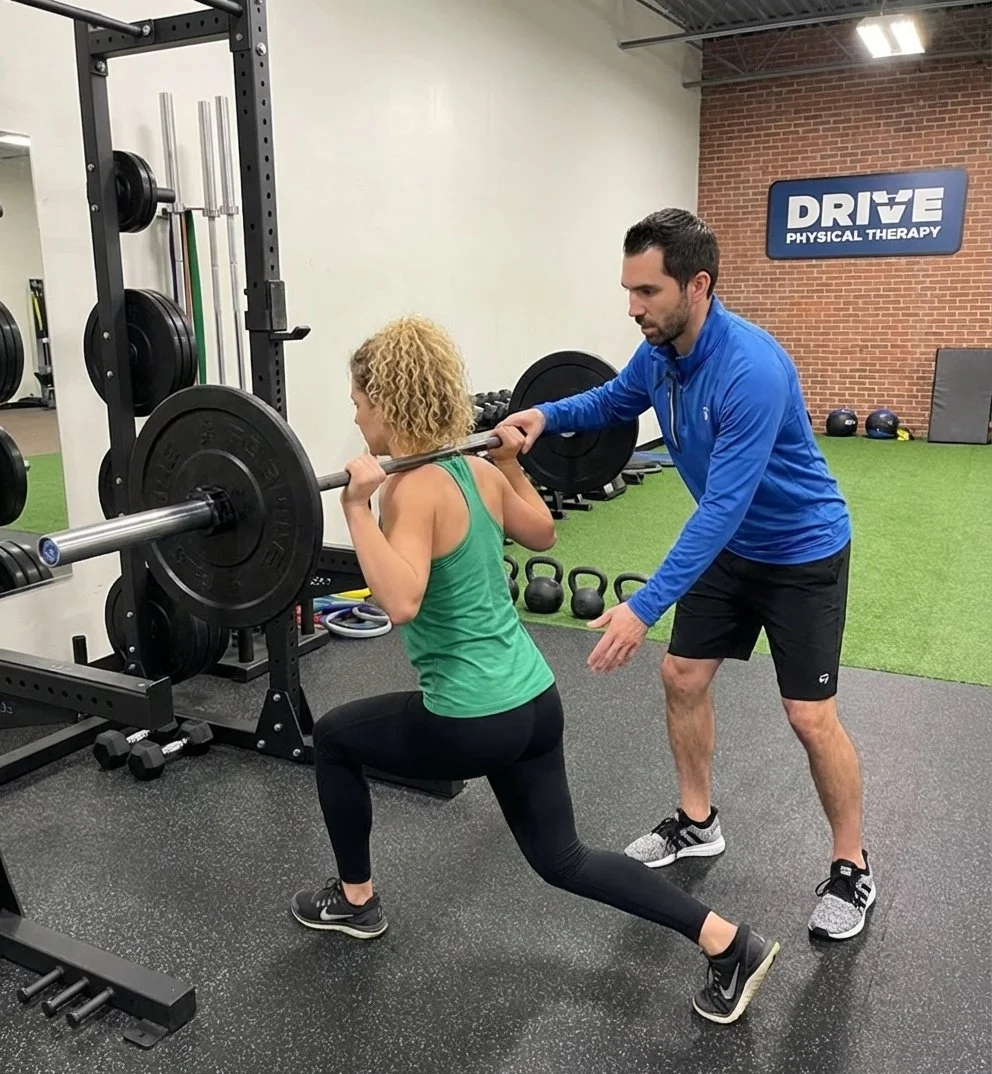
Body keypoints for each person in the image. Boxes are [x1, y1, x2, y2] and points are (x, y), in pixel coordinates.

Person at [290, 315, 779, 1024]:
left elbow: (398, 602)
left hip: (469, 717)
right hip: (534, 701)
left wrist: (356, 507)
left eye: (359, 399)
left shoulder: (410, 489)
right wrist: (512, 461)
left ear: (389, 403)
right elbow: (542, 531)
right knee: (564, 859)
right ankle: (726, 942)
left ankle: (356, 900)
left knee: (334, 737)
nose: (356, 412)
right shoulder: (478, 468)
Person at [499, 208, 875, 942]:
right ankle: (697, 822)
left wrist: (642, 608)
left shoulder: (751, 370)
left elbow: (723, 508)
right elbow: (612, 401)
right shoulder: (661, 353)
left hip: (801, 551)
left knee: (809, 717)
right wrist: (545, 413)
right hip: (733, 551)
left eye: (647, 292)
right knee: (683, 677)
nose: (632, 307)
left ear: (697, 285)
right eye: (628, 290)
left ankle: (852, 865)